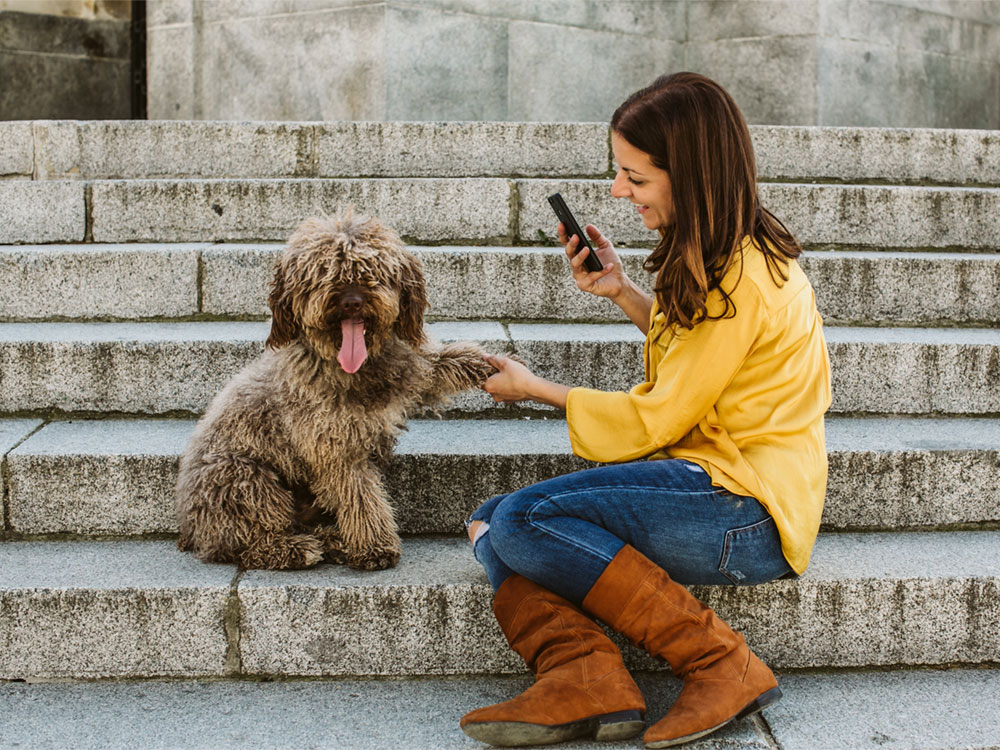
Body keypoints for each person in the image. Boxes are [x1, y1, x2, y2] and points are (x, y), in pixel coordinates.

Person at [459, 71, 832, 749]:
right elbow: (700, 362)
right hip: (723, 487)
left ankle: (722, 663)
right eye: (618, 173)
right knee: (491, 520)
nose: (617, 191)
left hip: (745, 510)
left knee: (525, 517)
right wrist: (623, 290)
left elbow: (656, 415)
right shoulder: (732, 254)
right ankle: (583, 674)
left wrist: (536, 388)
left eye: (634, 176)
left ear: (687, 174)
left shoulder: (740, 275)